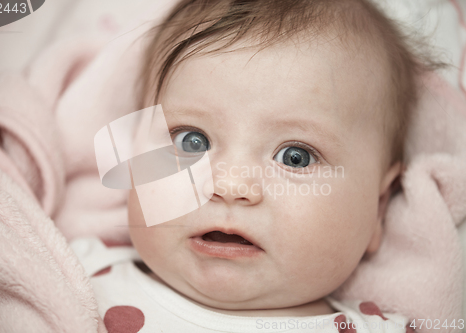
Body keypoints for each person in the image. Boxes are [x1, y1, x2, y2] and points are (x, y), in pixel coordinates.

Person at [71, 0, 442, 331]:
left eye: (295, 157)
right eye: (191, 141)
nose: (230, 185)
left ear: (378, 208)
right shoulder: (76, 277)